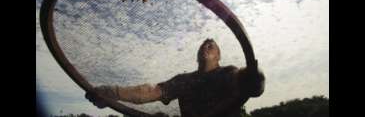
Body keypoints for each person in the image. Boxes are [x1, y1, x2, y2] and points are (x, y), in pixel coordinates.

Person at [85, 38, 265, 117]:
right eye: (202, 45)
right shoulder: (184, 80)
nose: (205, 47)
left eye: (211, 46)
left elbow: (252, 86)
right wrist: (110, 93)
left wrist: (256, 80)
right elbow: (150, 92)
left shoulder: (228, 73)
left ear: (219, 56)